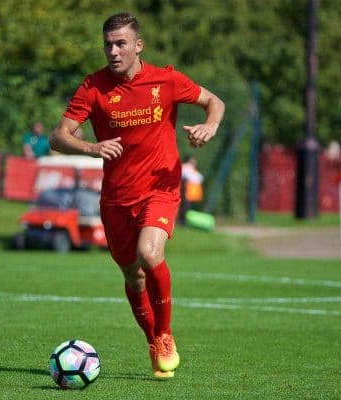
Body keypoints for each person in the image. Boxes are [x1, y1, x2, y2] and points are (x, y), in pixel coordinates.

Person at [49, 12, 224, 379]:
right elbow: (58, 136)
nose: (113, 51)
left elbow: (214, 102)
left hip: (161, 187)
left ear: (138, 45)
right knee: (133, 276)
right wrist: (91, 148)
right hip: (116, 198)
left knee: (150, 252)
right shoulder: (93, 86)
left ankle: (165, 335)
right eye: (108, 44)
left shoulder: (167, 79)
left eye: (121, 44)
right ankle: (152, 339)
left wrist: (209, 126)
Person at [178, 156, 204, 224]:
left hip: (192, 192)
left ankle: (186, 220)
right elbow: (190, 177)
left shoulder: (192, 169)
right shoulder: (186, 167)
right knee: (185, 206)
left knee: (188, 207)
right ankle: (182, 221)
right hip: (187, 191)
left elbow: (199, 178)